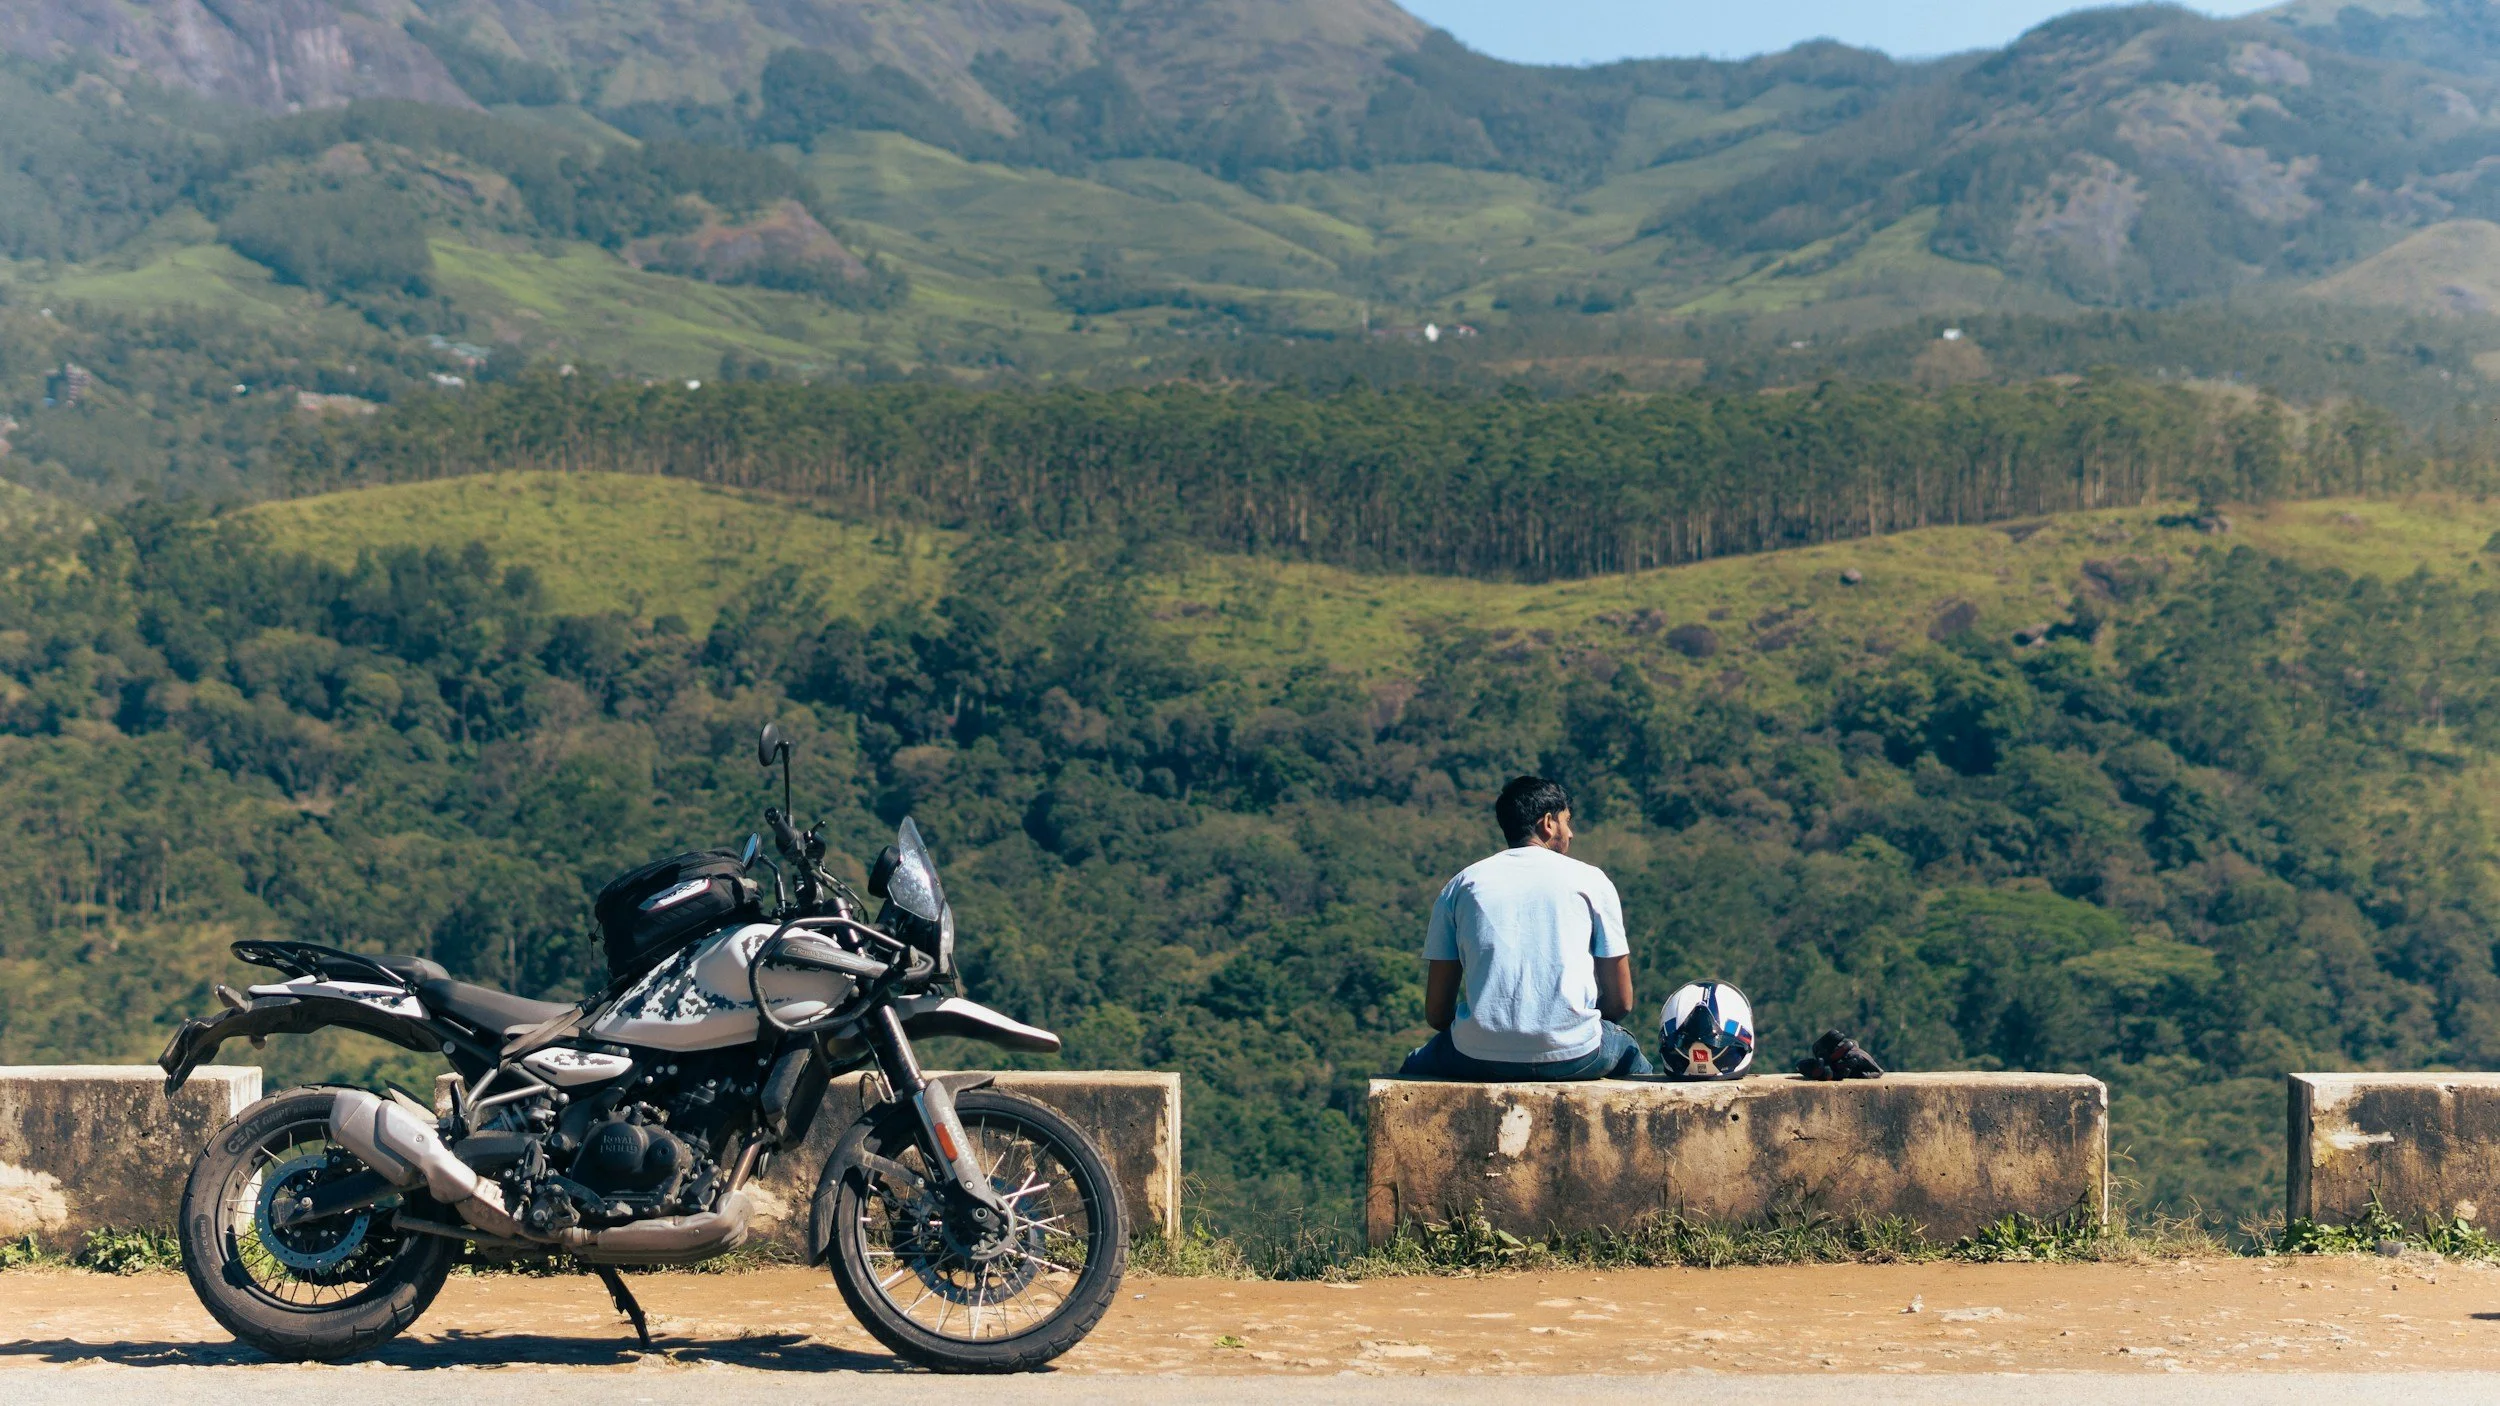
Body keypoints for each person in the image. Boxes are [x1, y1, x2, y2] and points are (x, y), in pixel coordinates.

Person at [1397, 775, 1654, 1081]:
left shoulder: (1461, 886)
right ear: (1548, 823)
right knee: (1632, 1058)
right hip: (1576, 1054)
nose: (1570, 834)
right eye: (1566, 821)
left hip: (1476, 1057)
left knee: (1413, 1068)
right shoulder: (1592, 881)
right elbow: (1621, 1002)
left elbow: (1437, 1013)